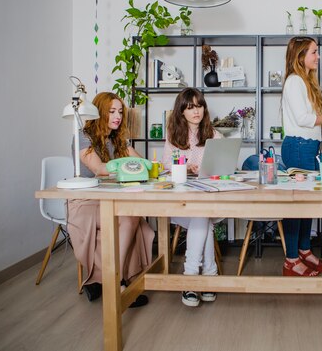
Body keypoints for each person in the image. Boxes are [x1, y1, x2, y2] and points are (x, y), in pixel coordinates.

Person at [67, 92, 154, 306]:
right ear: (99, 113)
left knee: (136, 221)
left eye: (120, 112)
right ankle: (116, 280)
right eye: (112, 111)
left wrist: (161, 166)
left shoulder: (117, 140)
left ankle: (108, 277)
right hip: (86, 202)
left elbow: (144, 163)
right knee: (130, 218)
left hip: (111, 199)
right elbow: (99, 169)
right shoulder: (83, 137)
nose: (118, 116)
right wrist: (128, 167)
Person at [280, 36, 322, 276]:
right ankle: (290, 260)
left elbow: (310, 121)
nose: (318, 56)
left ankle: (303, 251)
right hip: (298, 147)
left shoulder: (305, 82)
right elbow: (302, 119)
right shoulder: (294, 82)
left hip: (307, 147)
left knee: (306, 203)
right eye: (314, 52)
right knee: (295, 206)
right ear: (300, 56)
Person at [162, 87, 223, 306]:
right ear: (181, 112)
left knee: (202, 214)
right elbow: (167, 164)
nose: (196, 111)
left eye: (199, 106)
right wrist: (188, 167)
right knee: (201, 217)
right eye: (190, 107)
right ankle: (208, 274)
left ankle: (192, 279)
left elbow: (223, 165)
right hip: (180, 202)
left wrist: (211, 168)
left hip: (207, 199)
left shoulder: (214, 135)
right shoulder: (173, 135)